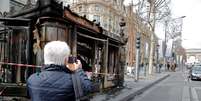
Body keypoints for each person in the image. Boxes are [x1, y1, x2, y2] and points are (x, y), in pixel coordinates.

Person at [27, 41, 92, 101]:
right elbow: (88, 89)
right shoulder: (74, 81)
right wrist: (78, 69)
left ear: (45, 57)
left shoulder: (32, 79)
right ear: (66, 60)